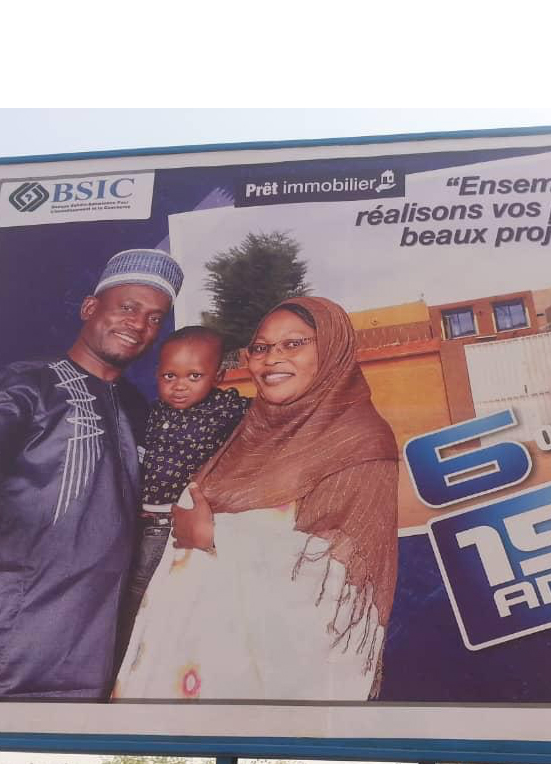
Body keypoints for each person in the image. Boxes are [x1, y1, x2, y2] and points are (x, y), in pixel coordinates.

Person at [0, 249, 184, 701]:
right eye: (128, 307)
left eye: (154, 318)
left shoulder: (137, 408)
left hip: (87, 653)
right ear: (90, 308)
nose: (139, 324)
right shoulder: (30, 381)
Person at [112, 296, 399, 703]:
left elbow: (341, 573)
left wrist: (215, 537)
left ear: (332, 348)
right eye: (261, 348)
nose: (271, 359)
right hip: (187, 651)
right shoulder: (250, 428)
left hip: (257, 676)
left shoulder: (359, 441)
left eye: (293, 344)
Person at [114, 326, 248, 663]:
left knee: (154, 594)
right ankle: (127, 662)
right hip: (142, 522)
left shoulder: (224, 408)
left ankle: (146, 660)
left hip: (174, 526)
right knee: (131, 594)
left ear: (217, 377)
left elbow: (270, 412)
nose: (179, 385)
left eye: (194, 376)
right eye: (169, 376)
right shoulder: (156, 411)